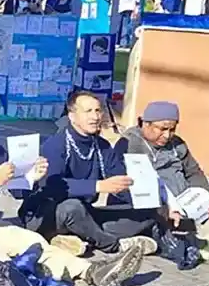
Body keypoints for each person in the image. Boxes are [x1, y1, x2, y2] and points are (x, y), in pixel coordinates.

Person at [0, 104, 144, 286]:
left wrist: (32, 177)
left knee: (33, 242)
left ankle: (93, 271)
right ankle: (33, 280)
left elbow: (18, 192)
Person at [21, 91, 159, 257]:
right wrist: (98, 186)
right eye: (88, 111)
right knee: (72, 207)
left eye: (98, 110)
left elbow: (120, 181)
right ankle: (113, 245)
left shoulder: (103, 146)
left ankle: (77, 238)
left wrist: (145, 200)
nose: (95, 116)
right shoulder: (55, 144)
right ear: (72, 116)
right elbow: (52, 186)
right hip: (46, 215)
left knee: (148, 213)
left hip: (86, 213)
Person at [115, 101, 209, 239]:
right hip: (155, 209)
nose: (167, 135)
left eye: (172, 129)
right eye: (162, 129)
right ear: (145, 123)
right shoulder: (129, 144)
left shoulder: (177, 144)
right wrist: (165, 210)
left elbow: (193, 172)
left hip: (189, 205)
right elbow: (128, 186)